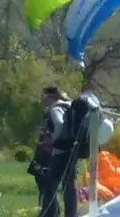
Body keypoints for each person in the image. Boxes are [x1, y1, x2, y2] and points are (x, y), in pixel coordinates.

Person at [31, 85, 77, 217]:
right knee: (70, 184)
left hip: (59, 152)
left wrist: (53, 139)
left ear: (50, 96)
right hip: (73, 150)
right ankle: (71, 214)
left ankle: (50, 213)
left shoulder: (55, 108)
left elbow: (59, 124)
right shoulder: (70, 107)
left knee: (50, 183)